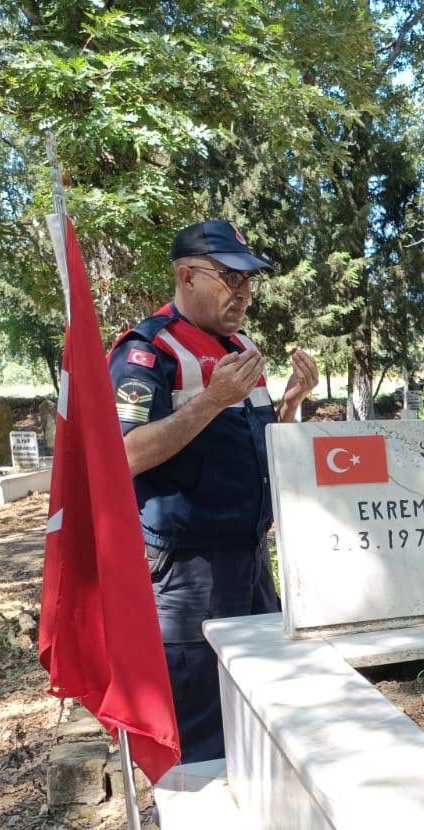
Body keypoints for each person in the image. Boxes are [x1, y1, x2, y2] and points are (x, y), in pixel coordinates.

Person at [108, 219, 319, 762]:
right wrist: (211, 399)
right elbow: (123, 456)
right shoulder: (146, 352)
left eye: (249, 280)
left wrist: (291, 403)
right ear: (186, 276)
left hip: (251, 559)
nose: (243, 293)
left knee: (264, 701)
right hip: (187, 568)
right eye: (230, 277)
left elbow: (261, 443)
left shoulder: (242, 348)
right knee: (201, 719)